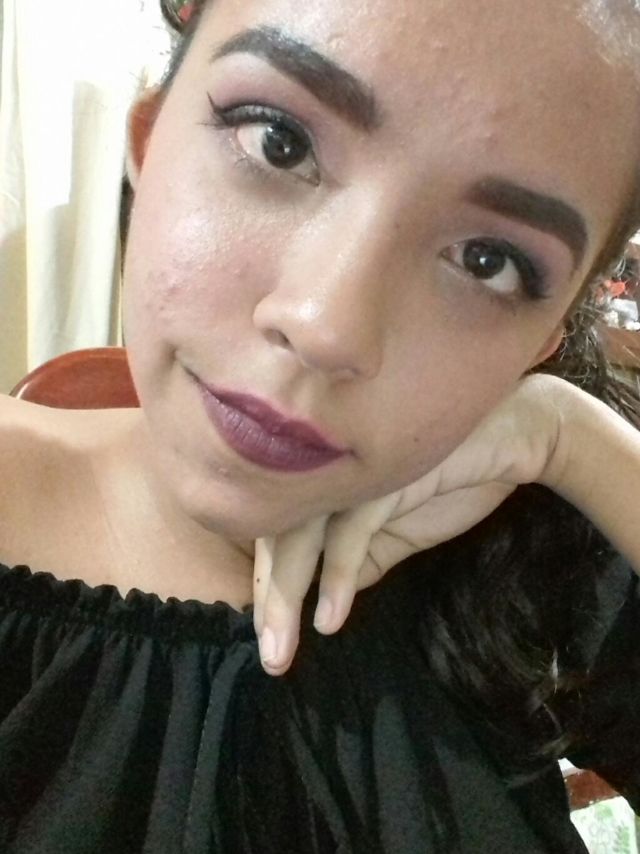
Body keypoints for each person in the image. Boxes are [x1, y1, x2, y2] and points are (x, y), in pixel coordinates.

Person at [0, 0, 639, 850]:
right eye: (279, 142)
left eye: (489, 261)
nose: (326, 326)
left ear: (544, 337)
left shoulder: (539, 561)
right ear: (149, 142)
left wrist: (569, 438)